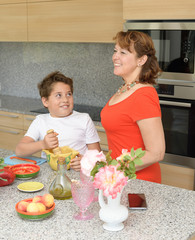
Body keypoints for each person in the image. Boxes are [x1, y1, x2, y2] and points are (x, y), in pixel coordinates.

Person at [101, 31, 165, 183]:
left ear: (141, 60)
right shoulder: (125, 88)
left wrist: (114, 167)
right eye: (115, 51)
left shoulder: (143, 95)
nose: (115, 57)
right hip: (119, 180)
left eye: (123, 52)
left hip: (139, 182)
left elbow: (157, 153)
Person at [15, 71, 101, 171]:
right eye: (58, 95)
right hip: (50, 173)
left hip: (77, 174)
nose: (65, 99)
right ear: (45, 101)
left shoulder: (84, 119)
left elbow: (98, 157)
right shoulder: (40, 121)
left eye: (69, 94)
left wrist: (86, 162)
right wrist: (43, 144)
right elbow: (19, 150)